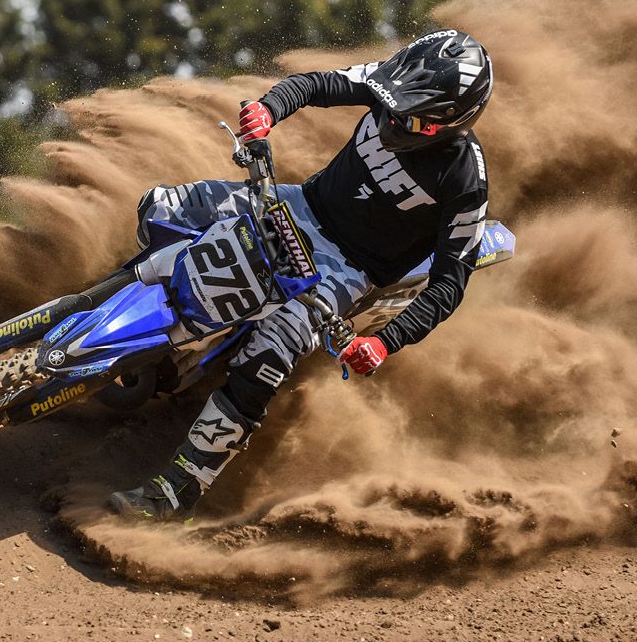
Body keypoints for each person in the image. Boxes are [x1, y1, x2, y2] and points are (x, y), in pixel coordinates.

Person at [109, 29, 493, 521]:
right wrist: (269, 109)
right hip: (300, 205)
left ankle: (176, 491)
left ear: (455, 121)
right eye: (391, 108)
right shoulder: (388, 83)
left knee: (269, 352)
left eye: (411, 119)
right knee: (162, 208)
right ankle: (116, 318)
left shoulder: (466, 179)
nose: (392, 120)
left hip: (347, 270)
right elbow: (317, 85)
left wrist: (384, 343)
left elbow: (449, 283)